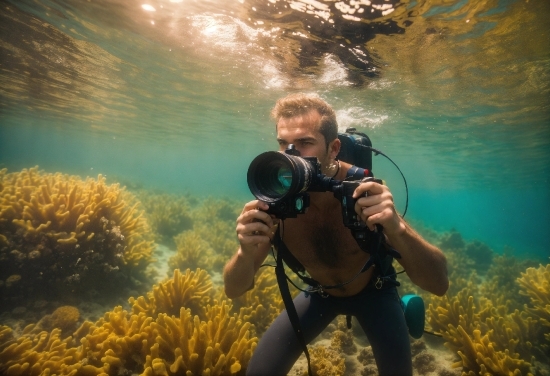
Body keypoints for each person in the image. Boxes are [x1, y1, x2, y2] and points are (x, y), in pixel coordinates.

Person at [223, 93, 449, 376]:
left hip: (375, 293)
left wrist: (396, 227)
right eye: (284, 144)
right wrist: (246, 251)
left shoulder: (361, 191)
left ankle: (403, 309)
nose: (291, 154)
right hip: (318, 292)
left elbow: (439, 283)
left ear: (333, 148)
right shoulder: (277, 202)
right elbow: (234, 289)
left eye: (305, 143)